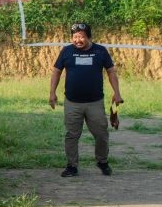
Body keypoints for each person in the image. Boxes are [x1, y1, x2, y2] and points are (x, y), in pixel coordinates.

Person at [49, 23, 123, 177]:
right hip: (72, 102)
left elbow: (111, 72)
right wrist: (52, 93)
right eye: (75, 37)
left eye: (81, 36)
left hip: (94, 102)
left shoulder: (100, 51)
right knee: (72, 135)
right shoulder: (67, 51)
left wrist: (117, 93)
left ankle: (102, 162)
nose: (78, 40)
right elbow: (56, 72)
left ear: (89, 36)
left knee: (102, 134)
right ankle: (72, 166)